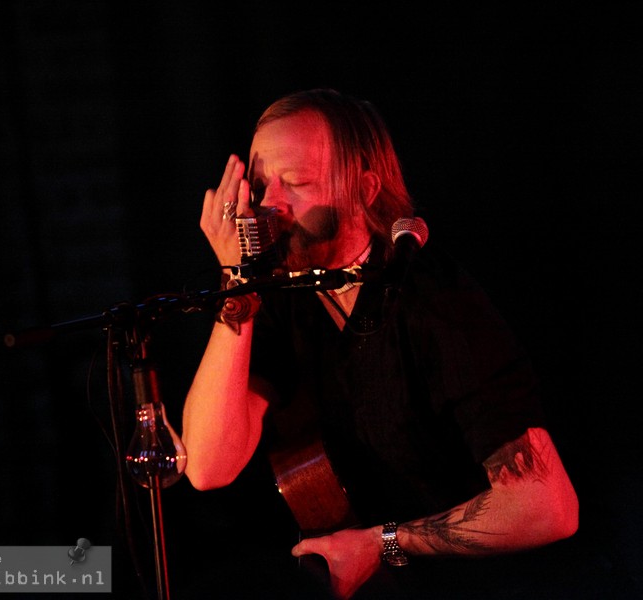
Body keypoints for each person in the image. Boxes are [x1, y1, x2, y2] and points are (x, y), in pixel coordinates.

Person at [181, 88, 579, 599]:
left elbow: (548, 505)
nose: (270, 204)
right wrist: (235, 284)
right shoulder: (276, 299)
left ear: (365, 189)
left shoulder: (432, 297)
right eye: (260, 186)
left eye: (297, 182)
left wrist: (382, 543)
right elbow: (210, 467)